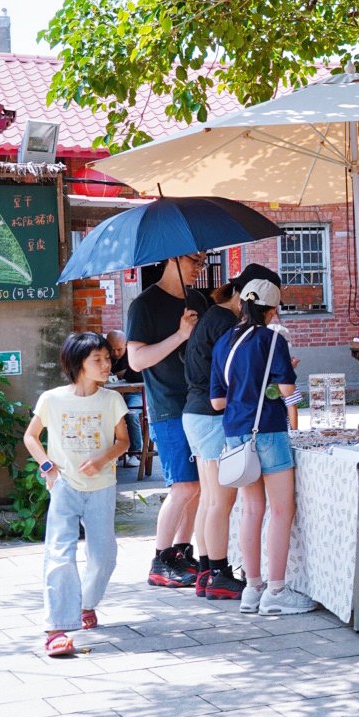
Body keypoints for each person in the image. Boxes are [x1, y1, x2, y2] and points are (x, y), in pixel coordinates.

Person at [210, 278, 314, 616]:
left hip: (235, 434)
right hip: (268, 431)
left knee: (251, 510)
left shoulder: (223, 342)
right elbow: (288, 392)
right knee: (282, 510)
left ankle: (251, 588)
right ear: (272, 310)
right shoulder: (272, 341)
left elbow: (216, 401)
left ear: (242, 304)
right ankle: (277, 591)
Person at [22, 332, 129, 657]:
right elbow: (31, 437)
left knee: (103, 556)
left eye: (107, 358)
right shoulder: (52, 399)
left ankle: (86, 603)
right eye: (97, 359)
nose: (105, 364)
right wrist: (48, 468)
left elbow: (123, 442)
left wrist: (101, 459)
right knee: (59, 554)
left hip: (102, 489)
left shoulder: (112, 400)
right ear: (77, 363)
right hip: (65, 486)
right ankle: (57, 628)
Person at [182, 264, 282, 600]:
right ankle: (219, 573)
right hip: (212, 416)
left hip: (196, 412)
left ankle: (207, 572)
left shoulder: (215, 317)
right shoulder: (230, 324)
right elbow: (230, 384)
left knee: (211, 499)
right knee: (219, 501)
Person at [126, 252, 210, 589]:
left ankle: (180, 553)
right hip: (168, 407)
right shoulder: (143, 305)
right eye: (194, 260)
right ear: (172, 259)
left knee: (200, 486)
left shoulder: (198, 299)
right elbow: (136, 360)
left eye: (203, 261)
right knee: (184, 486)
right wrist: (180, 335)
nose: (199, 266)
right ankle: (159, 560)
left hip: (200, 405)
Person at [105, 330, 144, 469]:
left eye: (119, 349)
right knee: (105, 415)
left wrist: (123, 374)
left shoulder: (133, 353)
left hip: (133, 394)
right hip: (111, 395)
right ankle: (111, 454)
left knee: (131, 413)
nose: (115, 353)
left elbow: (140, 374)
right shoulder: (104, 354)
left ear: (126, 345)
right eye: (112, 349)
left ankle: (135, 453)